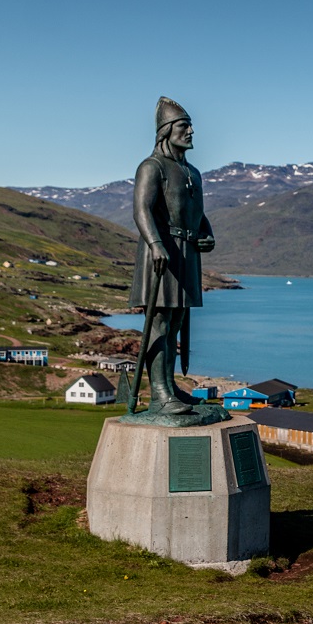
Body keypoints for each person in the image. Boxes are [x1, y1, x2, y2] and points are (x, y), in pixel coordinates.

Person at [128, 97, 215, 414]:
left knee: (176, 322)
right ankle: (159, 394)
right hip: (162, 253)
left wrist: (206, 233)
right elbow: (142, 210)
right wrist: (155, 243)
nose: (191, 131)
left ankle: (170, 387)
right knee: (160, 322)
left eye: (190, 125)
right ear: (166, 131)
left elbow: (198, 213)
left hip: (186, 254)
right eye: (183, 125)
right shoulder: (152, 168)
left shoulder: (193, 172)